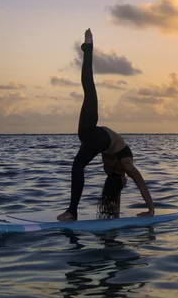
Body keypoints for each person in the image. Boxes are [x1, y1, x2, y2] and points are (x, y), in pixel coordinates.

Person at [57, 29, 154, 222]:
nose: (125, 182)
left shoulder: (117, 171)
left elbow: (127, 186)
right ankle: (88, 49)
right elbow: (141, 185)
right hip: (94, 135)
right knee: (89, 90)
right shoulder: (126, 165)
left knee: (77, 167)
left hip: (93, 137)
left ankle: (72, 211)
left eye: (122, 183)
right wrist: (151, 210)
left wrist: (148, 210)